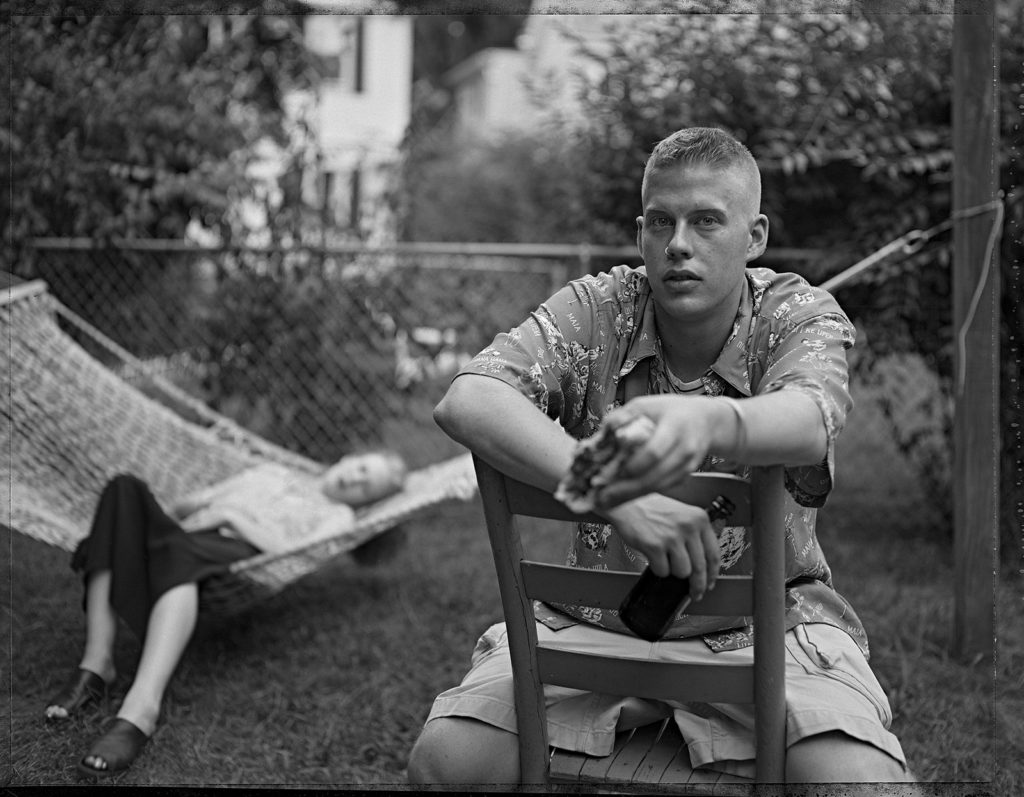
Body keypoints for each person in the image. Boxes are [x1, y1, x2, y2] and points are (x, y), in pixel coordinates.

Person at [408, 127, 914, 784]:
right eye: (661, 222)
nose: (679, 243)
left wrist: (708, 420)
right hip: (593, 625)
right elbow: (470, 397)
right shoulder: (600, 308)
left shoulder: (798, 314)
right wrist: (614, 494)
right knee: (443, 767)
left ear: (754, 235)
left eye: (706, 221)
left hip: (771, 627)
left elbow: (809, 419)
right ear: (642, 231)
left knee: (863, 783)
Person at [45, 449, 407, 778]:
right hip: (184, 533)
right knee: (123, 488)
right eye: (361, 468)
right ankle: (97, 662)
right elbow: (192, 505)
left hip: (228, 551)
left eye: (365, 488)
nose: (355, 480)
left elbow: (294, 552)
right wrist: (201, 507)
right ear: (347, 458)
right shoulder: (269, 472)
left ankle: (141, 709)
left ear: (364, 503)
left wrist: (228, 517)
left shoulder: (337, 516)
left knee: (176, 554)